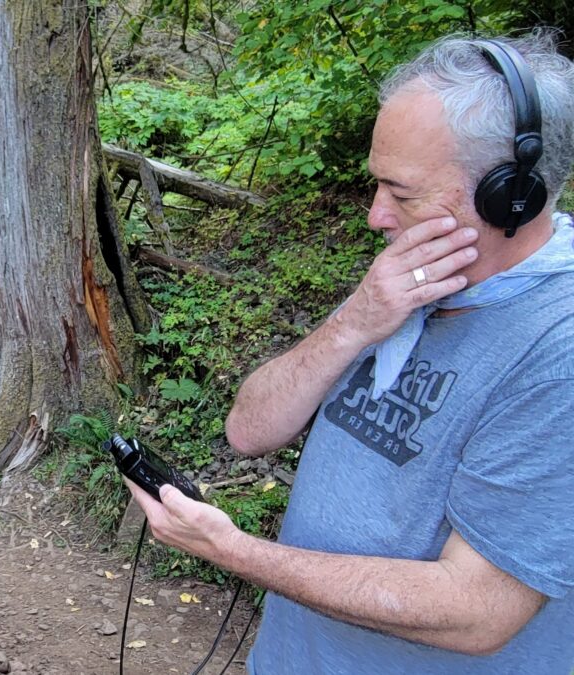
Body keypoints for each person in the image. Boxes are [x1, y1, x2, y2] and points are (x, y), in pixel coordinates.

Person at [126, 32, 574, 674]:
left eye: (403, 193)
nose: (375, 216)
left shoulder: (557, 353)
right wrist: (354, 321)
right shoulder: (409, 283)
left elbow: (479, 611)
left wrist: (234, 551)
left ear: (511, 197)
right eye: (376, 185)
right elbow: (249, 431)